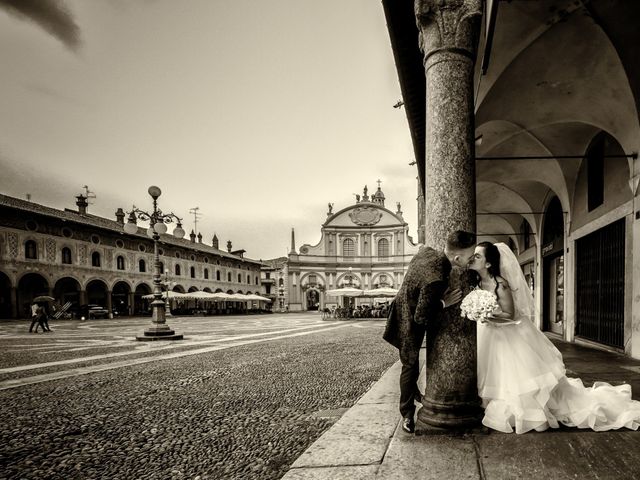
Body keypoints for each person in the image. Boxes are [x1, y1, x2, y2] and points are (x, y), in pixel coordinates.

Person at [469, 242, 640, 434]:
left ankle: (528, 413)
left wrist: (486, 314)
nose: (472, 259)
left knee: (516, 373)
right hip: (490, 334)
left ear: (489, 264)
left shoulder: (500, 284)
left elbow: (510, 314)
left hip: (509, 333)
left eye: (477, 256)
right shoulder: (475, 281)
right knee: (496, 370)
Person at [383, 230, 476, 433]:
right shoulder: (436, 278)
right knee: (410, 366)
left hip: (400, 308)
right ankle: (407, 414)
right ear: (457, 258)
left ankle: (413, 392)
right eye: (469, 258)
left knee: (410, 365)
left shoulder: (427, 252)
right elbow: (421, 317)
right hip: (408, 322)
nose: (470, 261)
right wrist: (443, 302)